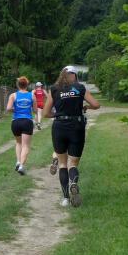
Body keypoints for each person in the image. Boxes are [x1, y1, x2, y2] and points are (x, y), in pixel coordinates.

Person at [43, 66, 100, 207]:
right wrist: (86, 107)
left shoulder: (54, 89)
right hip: (76, 126)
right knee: (73, 163)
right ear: (74, 75)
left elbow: (45, 113)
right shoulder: (80, 88)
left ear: (62, 75)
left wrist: (57, 115)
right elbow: (96, 104)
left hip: (59, 127)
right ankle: (73, 182)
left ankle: (65, 199)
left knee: (62, 163)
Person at [6, 76, 36, 175]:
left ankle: (18, 162)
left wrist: (16, 110)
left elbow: (8, 108)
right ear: (27, 85)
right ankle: (22, 166)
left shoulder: (13, 95)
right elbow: (35, 110)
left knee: (18, 143)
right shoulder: (32, 95)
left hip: (16, 122)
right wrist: (28, 109)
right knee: (26, 145)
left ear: (18, 85)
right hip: (27, 121)